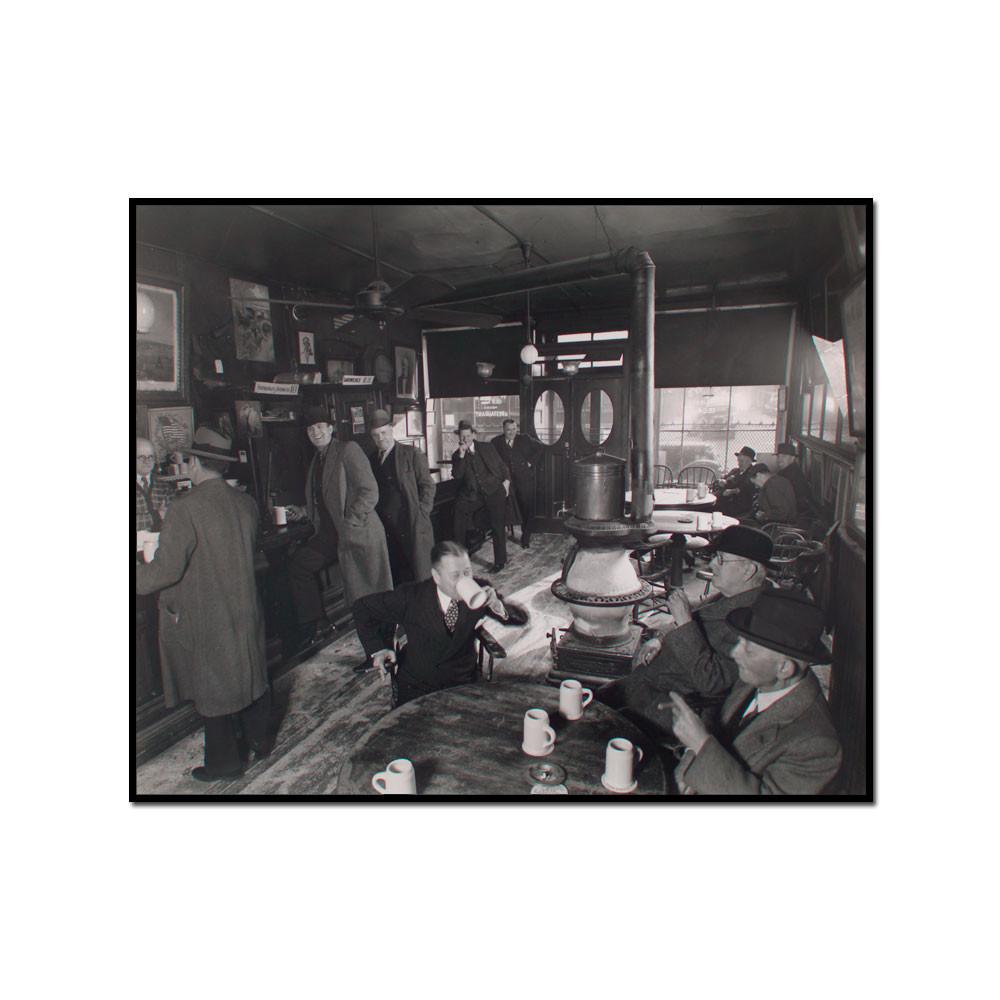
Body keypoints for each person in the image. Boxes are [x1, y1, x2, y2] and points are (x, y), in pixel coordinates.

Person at [135, 427, 271, 781]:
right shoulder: (246, 502)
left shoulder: (186, 507)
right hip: (245, 604)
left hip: (209, 610)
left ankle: (225, 763)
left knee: (215, 685)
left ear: (194, 463)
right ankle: (261, 739)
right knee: (248, 670)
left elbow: (168, 570)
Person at [598, 526, 773, 735]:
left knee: (593, 720)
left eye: (722, 559)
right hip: (653, 682)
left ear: (749, 570)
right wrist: (661, 639)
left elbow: (712, 682)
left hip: (671, 705)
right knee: (598, 697)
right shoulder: (736, 595)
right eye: (715, 556)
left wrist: (683, 620)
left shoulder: (753, 621)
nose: (712, 564)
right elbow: (695, 622)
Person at [670, 590, 842, 795]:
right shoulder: (755, 680)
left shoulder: (818, 746)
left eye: (748, 648)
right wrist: (690, 758)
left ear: (784, 668)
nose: (734, 653)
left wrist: (700, 744)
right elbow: (721, 726)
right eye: (739, 641)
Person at [352, 541, 528, 707]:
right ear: (436, 576)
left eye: (467, 572)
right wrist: (379, 649)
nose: (464, 580)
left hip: (463, 682)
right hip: (418, 686)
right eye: (455, 575)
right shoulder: (411, 597)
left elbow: (520, 618)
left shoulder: (480, 590)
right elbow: (362, 608)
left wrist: (498, 606)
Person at [287, 406, 392, 647]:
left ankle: (383, 650)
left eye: (320, 427)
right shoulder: (317, 459)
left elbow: (369, 491)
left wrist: (351, 521)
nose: (316, 432)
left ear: (331, 429)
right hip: (330, 533)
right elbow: (325, 497)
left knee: (370, 596)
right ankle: (319, 623)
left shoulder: (347, 450)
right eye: (311, 429)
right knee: (300, 565)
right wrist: (304, 511)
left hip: (357, 532)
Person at [368, 409, 436, 585]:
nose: (380, 438)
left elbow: (427, 486)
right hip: (385, 527)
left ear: (391, 429)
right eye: (375, 435)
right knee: (396, 574)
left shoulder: (411, 453)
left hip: (411, 522)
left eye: (383, 432)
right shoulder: (371, 460)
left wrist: (422, 514)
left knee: (420, 574)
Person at [451, 420, 510, 573]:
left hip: (493, 491)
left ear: (474, 434)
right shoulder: (457, 455)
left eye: (468, 435)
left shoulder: (486, 447)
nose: (466, 439)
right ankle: (461, 560)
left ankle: (500, 561)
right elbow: (457, 476)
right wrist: (462, 455)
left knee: (498, 526)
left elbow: (502, 466)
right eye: (463, 437)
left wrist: (506, 483)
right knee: (458, 515)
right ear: (459, 437)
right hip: (474, 496)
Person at [491, 418, 543, 548]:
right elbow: (491, 458)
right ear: (503, 429)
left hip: (524, 480)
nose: (512, 432)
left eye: (514, 429)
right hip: (506, 482)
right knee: (506, 507)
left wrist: (530, 462)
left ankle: (525, 538)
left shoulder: (524, 439)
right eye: (509, 429)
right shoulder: (496, 442)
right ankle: (504, 534)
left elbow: (540, 448)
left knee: (526, 508)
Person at [135, 436, 175, 531]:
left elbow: (174, 517)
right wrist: (158, 515)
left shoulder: (164, 487)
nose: (147, 461)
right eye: (141, 457)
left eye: (150, 457)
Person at [775, 442, 815, 518]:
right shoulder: (786, 471)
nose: (779, 460)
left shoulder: (792, 474)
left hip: (796, 516)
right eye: (778, 456)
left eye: (784, 456)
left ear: (792, 458)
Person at [715, 445, 756, 517]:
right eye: (738, 460)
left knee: (713, 509)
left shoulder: (752, 474)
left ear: (750, 461)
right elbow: (723, 479)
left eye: (741, 461)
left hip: (739, 504)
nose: (739, 463)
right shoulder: (735, 471)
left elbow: (746, 488)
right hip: (724, 499)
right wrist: (721, 481)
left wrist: (732, 491)